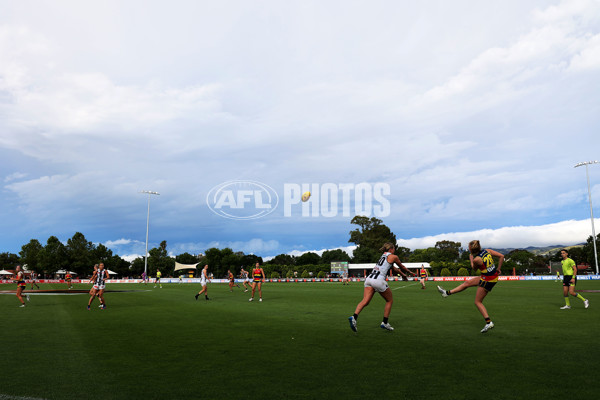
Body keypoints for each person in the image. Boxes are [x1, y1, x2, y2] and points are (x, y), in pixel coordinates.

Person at [437, 240, 504, 333]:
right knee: (467, 283)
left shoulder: (477, 259)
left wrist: (471, 259)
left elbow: (474, 268)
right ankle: (447, 293)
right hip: (491, 276)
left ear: (471, 249)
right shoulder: (487, 251)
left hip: (487, 280)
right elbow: (502, 256)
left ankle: (489, 322)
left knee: (478, 302)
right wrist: (498, 269)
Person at [348, 243, 414, 332]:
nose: (395, 250)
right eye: (394, 248)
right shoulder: (393, 257)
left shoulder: (383, 256)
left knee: (365, 301)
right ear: (391, 249)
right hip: (378, 280)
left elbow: (394, 269)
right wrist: (410, 273)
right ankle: (385, 323)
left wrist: (403, 275)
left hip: (369, 279)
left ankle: (354, 317)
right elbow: (401, 266)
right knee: (389, 300)